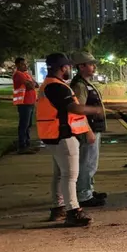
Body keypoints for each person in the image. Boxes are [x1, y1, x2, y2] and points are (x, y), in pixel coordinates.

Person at [36, 53, 103, 227]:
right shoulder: (57, 86)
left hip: (52, 134)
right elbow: (73, 107)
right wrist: (93, 110)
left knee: (60, 174)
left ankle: (58, 208)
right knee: (69, 175)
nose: (69, 70)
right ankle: (74, 211)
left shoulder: (48, 85)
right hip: (63, 134)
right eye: (68, 67)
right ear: (63, 67)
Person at [70, 52, 108, 208]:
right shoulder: (79, 85)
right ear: (81, 66)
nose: (94, 67)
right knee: (87, 163)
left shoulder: (86, 83)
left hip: (92, 128)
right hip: (88, 129)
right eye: (91, 64)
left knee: (91, 162)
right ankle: (84, 195)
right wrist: (88, 131)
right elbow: (78, 110)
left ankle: (88, 190)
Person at [12, 57, 39, 154]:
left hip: (30, 102)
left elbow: (36, 85)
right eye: (23, 64)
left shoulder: (26, 74)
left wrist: (31, 82)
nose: (26, 66)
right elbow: (31, 85)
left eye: (26, 64)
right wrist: (32, 83)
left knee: (28, 125)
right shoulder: (18, 75)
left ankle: (27, 144)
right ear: (18, 65)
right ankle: (22, 146)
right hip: (24, 103)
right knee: (24, 125)